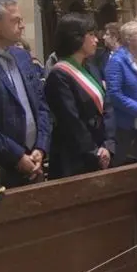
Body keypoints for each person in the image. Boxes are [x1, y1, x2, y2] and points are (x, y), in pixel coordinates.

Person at [45, 13, 115, 178]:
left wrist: (108, 144)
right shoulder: (60, 74)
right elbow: (71, 120)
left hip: (103, 149)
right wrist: (94, 152)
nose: (96, 40)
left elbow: (107, 107)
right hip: (75, 157)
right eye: (90, 35)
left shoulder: (91, 67)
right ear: (75, 38)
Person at [0, 0, 51, 188]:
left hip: (35, 158)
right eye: (15, 21)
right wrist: (17, 155)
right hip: (1, 165)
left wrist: (41, 147)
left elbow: (42, 105)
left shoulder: (22, 56)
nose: (22, 25)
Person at [106, 21, 137, 167]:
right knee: (126, 167)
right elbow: (115, 94)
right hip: (126, 125)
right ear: (128, 40)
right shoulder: (117, 61)